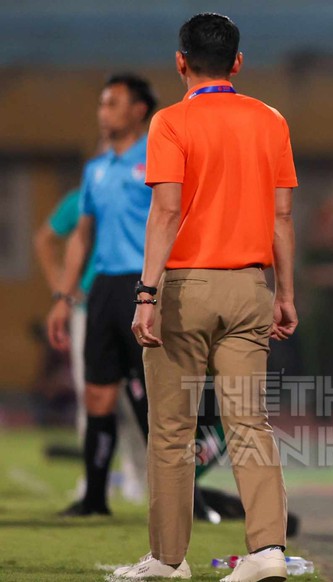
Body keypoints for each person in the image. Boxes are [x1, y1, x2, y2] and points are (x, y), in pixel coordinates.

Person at [114, 13, 298, 581]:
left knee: (172, 429)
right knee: (250, 424)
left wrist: (147, 293)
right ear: (237, 63)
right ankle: (267, 551)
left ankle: (169, 560)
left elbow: (166, 211)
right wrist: (285, 293)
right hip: (250, 286)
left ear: (180, 61)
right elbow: (283, 216)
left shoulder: (170, 122)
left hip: (185, 288)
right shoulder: (271, 120)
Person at [46, 74, 157, 516]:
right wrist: (63, 294)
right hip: (103, 290)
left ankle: (178, 496)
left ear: (138, 110)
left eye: (112, 103)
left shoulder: (158, 159)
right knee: (98, 395)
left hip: (145, 285)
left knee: (153, 400)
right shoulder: (96, 169)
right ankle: (95, 497)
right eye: (101, 103)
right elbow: (81, 237)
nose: (103, 111)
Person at [35, 184, 148, 503]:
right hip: (91, 306)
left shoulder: (145, 192)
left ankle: (137, 475)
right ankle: (94, 477)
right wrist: (61, 287)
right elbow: (47, 239)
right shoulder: (90, 191)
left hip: (138, 301)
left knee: (136, 396)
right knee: (93, 394)